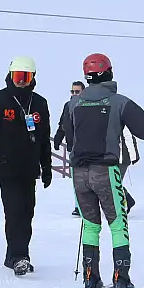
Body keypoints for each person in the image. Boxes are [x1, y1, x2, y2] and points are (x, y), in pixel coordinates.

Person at [63, 53, 144, 288]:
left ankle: (91, 277)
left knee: (90, 224)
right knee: (118, 223)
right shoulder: (118, 101)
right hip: (105, 170)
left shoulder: (73, 104)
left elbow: (69, 136)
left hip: (78, 173)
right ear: (109, 72)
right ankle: (121, 278)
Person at [0, 56, 53, 276]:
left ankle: (16, 255)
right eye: (17, 76)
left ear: (33, 78)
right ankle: (20, 256)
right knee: (15, 210)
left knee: (27, 212)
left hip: (29, 168)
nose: (20, 81)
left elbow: (45, 138)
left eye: (25, 77)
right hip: (5, 166)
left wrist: (46, 168)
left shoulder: (39, 103)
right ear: (10, 76)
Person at [55, 81, 85, 216]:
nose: (74, 94)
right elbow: (63, 123)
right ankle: (78, 206)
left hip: (88, 148)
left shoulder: (88, 105)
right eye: (72, 91)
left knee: (95, 178)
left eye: (77, 92)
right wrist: (58, 137)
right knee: (76, 178)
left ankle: (125, 199)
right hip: (73, 148)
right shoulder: (67, 106)